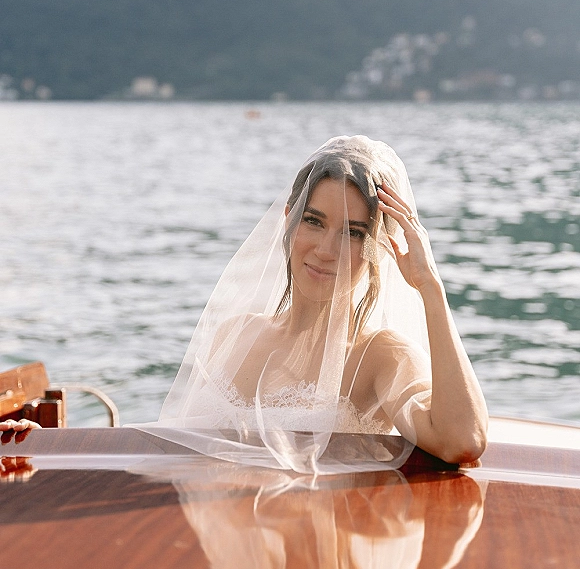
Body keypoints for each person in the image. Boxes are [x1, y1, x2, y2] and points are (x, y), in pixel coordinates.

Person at [2, 135, 487, 474]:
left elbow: (461, 441)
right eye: (314, 221)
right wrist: (45, 444)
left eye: (354, 233)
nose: (326, 249)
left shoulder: (380, 356)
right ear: (288, 221)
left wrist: (429, 286)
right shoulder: (236, 333)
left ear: (380, 246)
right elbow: (178, 446)